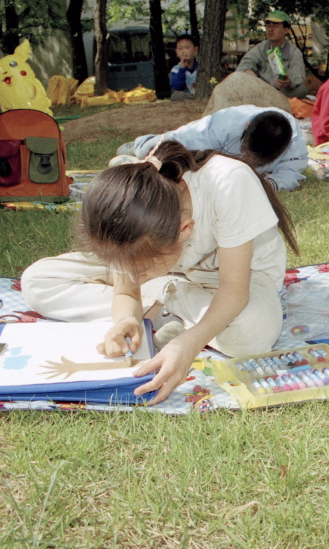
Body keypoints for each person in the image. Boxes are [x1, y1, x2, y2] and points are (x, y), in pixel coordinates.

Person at [21, 141, 299, 405]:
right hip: (160, 260)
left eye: (139, 270)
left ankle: (167, 299)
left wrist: (187, 344)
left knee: (250, 334)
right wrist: (126, 318)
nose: (133, 274)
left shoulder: (229, 182)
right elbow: (126, 289)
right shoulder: (131, 200)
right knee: (38, 280)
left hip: (238, 277)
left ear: (185, 230)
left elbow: (234, 290)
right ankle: (168, 305)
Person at [114, 105, 307, 192]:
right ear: (247, 126)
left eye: (256, 160)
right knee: (169, 154)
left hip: (230, 170)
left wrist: (269, 184)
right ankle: (141, 146)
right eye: (246, 152)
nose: (249, 160)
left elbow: (291, 173)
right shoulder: (228, 121)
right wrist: (157, 157)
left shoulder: (295, 143)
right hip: (201, 146)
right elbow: (186, 142)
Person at [235, 10, 308, 100]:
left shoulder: (294, 52)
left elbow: (298, 76)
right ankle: (270, 100)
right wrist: (247, 72)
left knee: (302, 90)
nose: (270, 29)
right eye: (268, 26)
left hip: (283, 92)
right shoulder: (260, 48)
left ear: (286, 30)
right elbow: (245, 64)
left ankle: (271, 100)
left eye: (275, 26)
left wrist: (288, 81)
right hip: (261, 91)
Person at [169, 34, 199, 101]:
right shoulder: (175, 69)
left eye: (187, 48)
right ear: (177, 52)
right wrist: (182, 68)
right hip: (186, 96)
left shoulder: (201, 66)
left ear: (195, 50)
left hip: (200, 95)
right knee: (175, 95)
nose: (184, 52)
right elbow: (177, 87)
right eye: (180, 49)